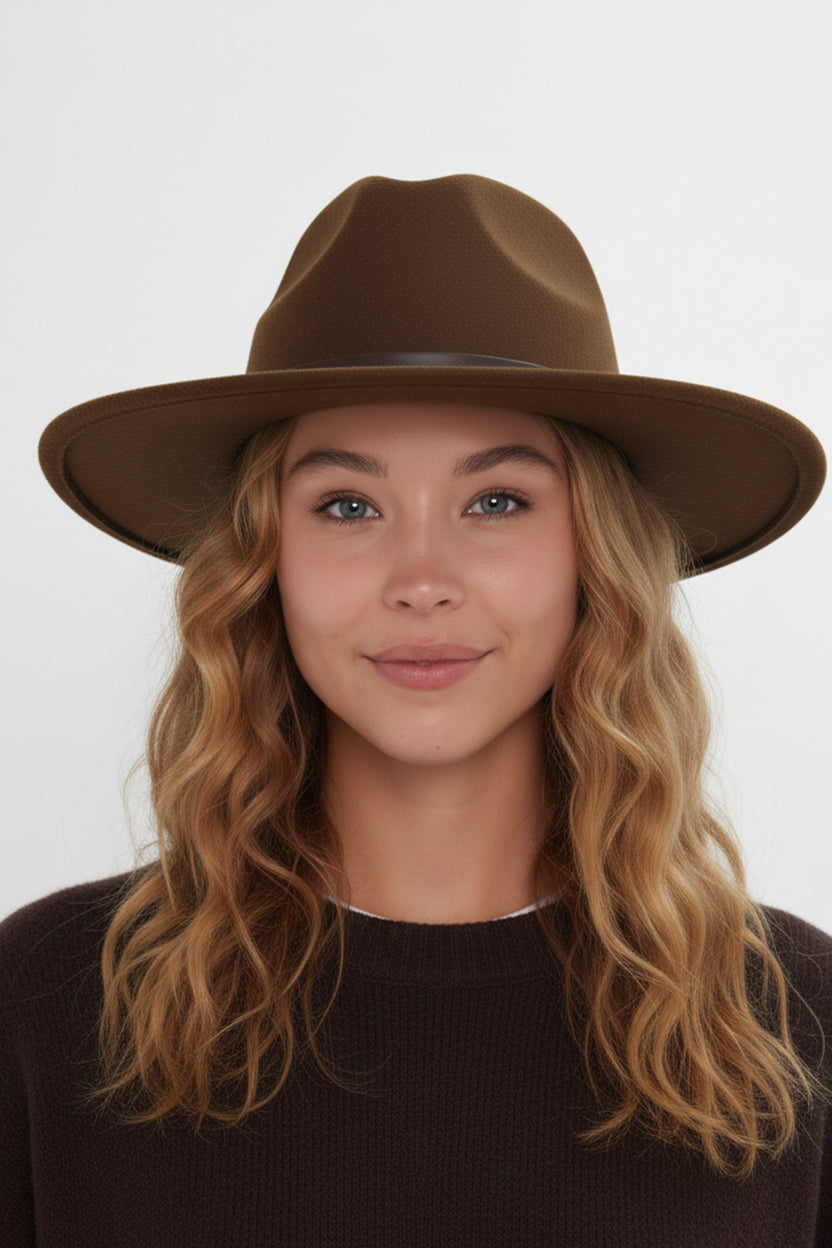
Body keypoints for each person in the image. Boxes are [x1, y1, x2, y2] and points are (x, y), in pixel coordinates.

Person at [2, 174, 830, 1246]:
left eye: (497, 501)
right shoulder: (46, 1008)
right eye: (348, 505)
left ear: (596, 556)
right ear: (262, 561)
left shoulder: (794, 1027)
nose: (423, 578)